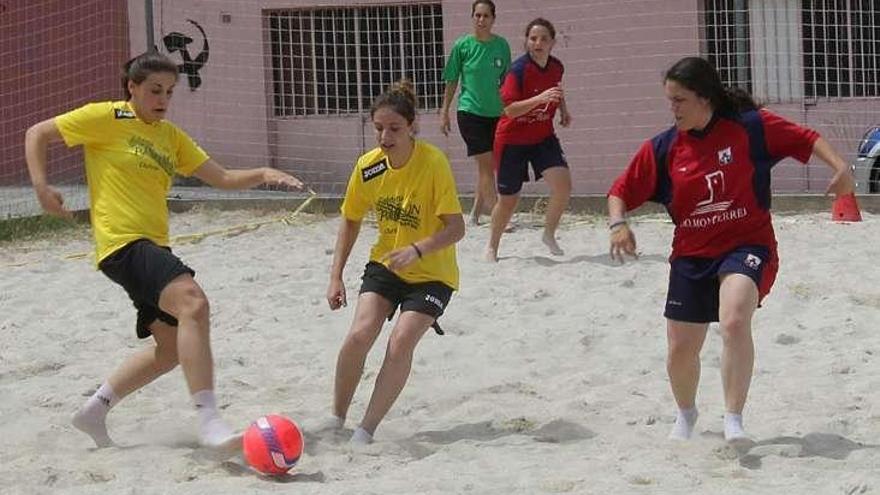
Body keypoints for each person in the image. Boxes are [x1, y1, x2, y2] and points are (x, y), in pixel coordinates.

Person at [24, 52, 304, 451]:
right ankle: (209, 421)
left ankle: (94, 410)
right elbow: (37, 133)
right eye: (154, 90)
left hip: (151, 246)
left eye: (169, 92)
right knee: (193, 302)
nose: (162, 99)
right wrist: (41, 187)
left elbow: (221, 177)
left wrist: (262, 173)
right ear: (132, 88)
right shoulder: (107, 117)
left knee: (170, 350)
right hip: (122, 243)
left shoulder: (170, 136)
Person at [607, 56, 855, 442]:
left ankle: (733, 419)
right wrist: (618, 224)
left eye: (680, 100)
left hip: (747, 243)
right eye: (669, 100)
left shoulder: (751, 128)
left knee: (735, 319)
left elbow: (805, 138)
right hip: (691, 255)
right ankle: (687, 415)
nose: (672, 109)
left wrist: (841, 168)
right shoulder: (665, 148)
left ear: (704, 98)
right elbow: (619, 192)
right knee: (679, 351)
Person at [324, 79, 465, 444]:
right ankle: (336, 419)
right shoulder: (369, 167)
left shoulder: (433, 163)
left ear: (413, 126)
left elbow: (456, 228)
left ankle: (365, 430)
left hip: (432, 274)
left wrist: (418, 249)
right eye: (379, 128)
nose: (385, 137)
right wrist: (335, 276)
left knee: (400, 343)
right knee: (358, 335)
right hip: (387, 265)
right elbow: (351, 218)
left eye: (394, 129)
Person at [486, 18, 572, 263]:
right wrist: (540, 99)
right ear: (526, 42)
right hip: (512, 141)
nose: (538, 43)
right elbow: (510, 110)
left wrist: (564, 110)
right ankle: (492, 246)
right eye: (533, 38)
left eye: (544, 38)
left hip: (543, 137)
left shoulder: (556, 66)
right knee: (508, 200)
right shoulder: (518, 71)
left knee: (563, 186)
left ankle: (549, 234)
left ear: (552, 42)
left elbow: (557, 87)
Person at [440, 0, 511, 226]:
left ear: (493, 19)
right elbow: (452, 79)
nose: (481, 20)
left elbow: (507, 83)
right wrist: (444, 112)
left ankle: (475, 214)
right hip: (470, 113)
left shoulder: (502, 46)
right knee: (486, 165)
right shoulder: (463, 46)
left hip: (496, 114)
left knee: (487, 167)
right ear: (472, 17)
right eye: (477, 15)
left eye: (486, 16)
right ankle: (498, 215)